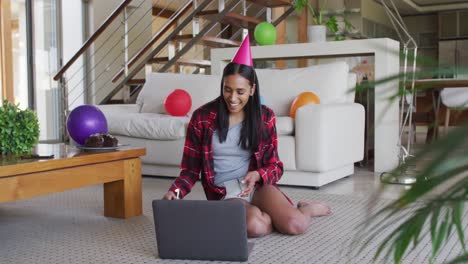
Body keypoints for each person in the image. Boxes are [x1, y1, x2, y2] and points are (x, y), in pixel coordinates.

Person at [162, 35, 331, 237]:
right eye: (227, 90)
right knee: (255, 226)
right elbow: (190, 170)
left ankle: (306, 208)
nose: (232, 98)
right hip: (225, 193)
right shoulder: (202, 118)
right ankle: (265, 214)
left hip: (257, 186)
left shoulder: (265, 116)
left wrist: (258, 175)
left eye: (240, 91)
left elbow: (275, 166)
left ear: (252, 89)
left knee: (295, 225)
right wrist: (176, 193)